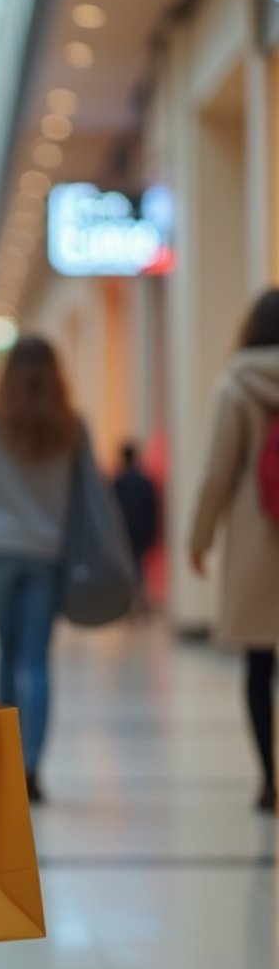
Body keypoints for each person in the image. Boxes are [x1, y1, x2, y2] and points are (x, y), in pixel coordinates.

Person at [0, 335, 85, 804]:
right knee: (36, 661)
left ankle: (5, 761)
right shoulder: (70, 428)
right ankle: (32, 767)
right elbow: (84, 501)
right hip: (46, 554)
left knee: (5, 655)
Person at [189, 288, 279, 814]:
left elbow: (217, 471)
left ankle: (269, 780)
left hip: (255, 542)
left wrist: (198, 539)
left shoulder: (238, 384)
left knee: (259, 664)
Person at [112, 441, 158, 612]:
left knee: (128, 568)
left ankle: (130, 605)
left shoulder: (118, 483)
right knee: (139, 568)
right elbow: (151, 510)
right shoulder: (145, 482)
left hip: (123, 532)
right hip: (141, 531)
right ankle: (140, 604)